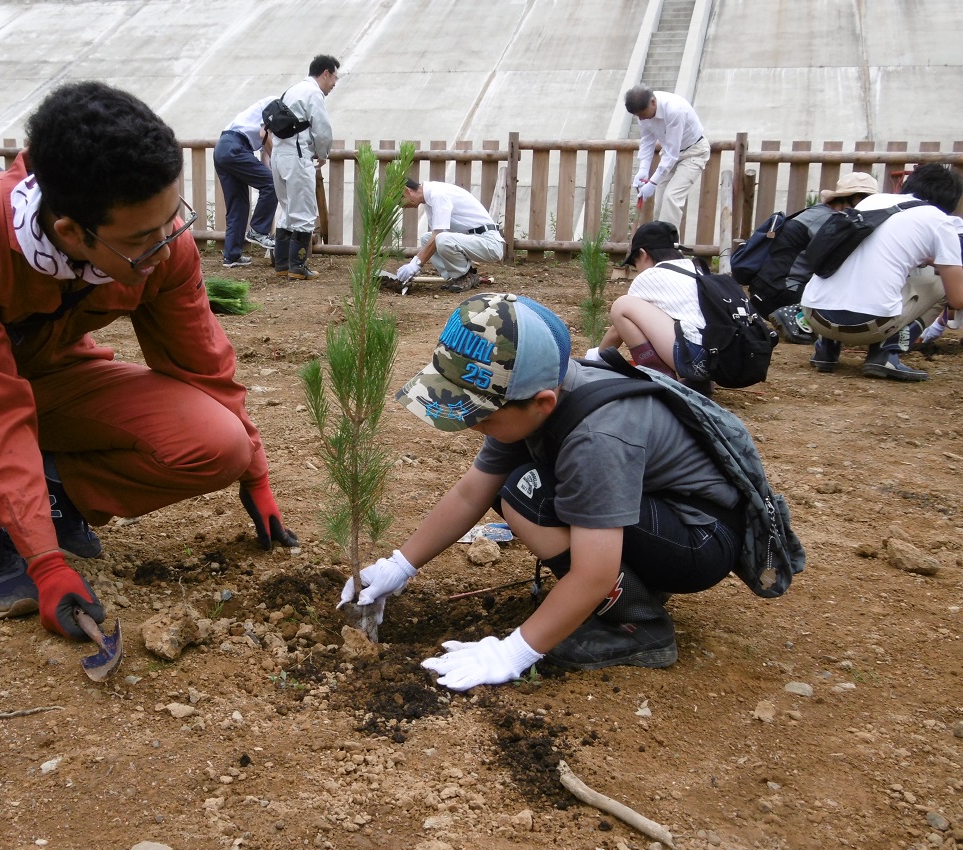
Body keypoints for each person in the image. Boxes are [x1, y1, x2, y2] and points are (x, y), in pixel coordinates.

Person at [0, 81, 297, 640]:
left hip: (57, 379)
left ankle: (53, 493)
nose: (165, 243)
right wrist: (47, 565)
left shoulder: (161, 247)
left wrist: (254, 471)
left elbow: (202, 363)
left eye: (169, 219)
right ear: (70, 232)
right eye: (142, 236)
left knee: (219, 442)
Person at [337, 293, 745, 689]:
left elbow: (594, 572)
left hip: (700, 537)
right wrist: (400, 565)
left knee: (526, 495)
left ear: (542, 402)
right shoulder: (528, 397)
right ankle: (636, 589)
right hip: (661, 516)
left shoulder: (596, 437)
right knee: (511, 487)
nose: (469, 424)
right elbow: (471, 493)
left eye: (479, 415)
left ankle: (640, 626)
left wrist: (513, 652)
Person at [802, 164, 963, 382]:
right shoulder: (939, 221)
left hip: (815, 315)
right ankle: (887, 353)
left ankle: (826, 349)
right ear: (951, 202)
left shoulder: (871, 202)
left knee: (855, 271)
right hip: (868, 326)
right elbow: (957, 299)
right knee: (941, 284)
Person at [748, 172, 879, 344]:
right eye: (863, 198)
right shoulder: (829, 220)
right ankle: (796, 315)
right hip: (782, 294)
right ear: (849, 198)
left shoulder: (819, 213)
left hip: (765, 292)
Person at [590, 221, 711, 392]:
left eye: (635, 263)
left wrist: (597, 356)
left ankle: (663, 380)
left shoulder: (652, 275)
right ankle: (698, 383)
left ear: (643, 254)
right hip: (720, 361)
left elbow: (618, 328)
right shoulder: (698, 270)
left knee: (621, 306)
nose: (637, 269)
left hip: (695, 359)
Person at [270, 54, 339, 280]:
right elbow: (322, 129)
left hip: (279, 155)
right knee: (304, 213)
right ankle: (297, 267)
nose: (334, 84)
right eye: (334, 78)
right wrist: (323, 152)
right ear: (325, 73)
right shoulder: (313, 93)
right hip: (298, 156)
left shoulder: (292, 90)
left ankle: (281, 264)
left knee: (288, 210)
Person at [396, 179, 504, 293]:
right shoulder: (429, 200)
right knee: (426, 239)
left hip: (489, 242)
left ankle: (464, 277)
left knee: (441, 239)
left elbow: (438, 235)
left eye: (401, 200)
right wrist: (415, 263)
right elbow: (434, 238)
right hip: (474, 239)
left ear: (407, 191)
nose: (402, 206)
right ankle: (458, 276)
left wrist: (415, 265)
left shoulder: (438, 194)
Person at [625, 85, 708, 229]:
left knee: (671, 198)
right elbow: (647, 141)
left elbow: (671, 152)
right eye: (638, 116)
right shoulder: (642, 113)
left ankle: (669, 248)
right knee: (661, 203)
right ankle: (660, 247)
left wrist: (652, 183)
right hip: (670, 155)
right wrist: (643, 169)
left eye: (642, 114)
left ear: (653, 102)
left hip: (694, 152)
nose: (641, 118)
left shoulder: (674, 110)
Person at [213, 96, 278, 268]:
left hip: (223, 148)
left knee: (238, 204)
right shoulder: (276, 103)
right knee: (272, 184)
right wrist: (275, 177)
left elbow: (265, 152)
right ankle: (258, 230)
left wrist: (268, 174)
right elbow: (264, 135)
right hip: (236, 147)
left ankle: (231, 256)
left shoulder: (262, 112)